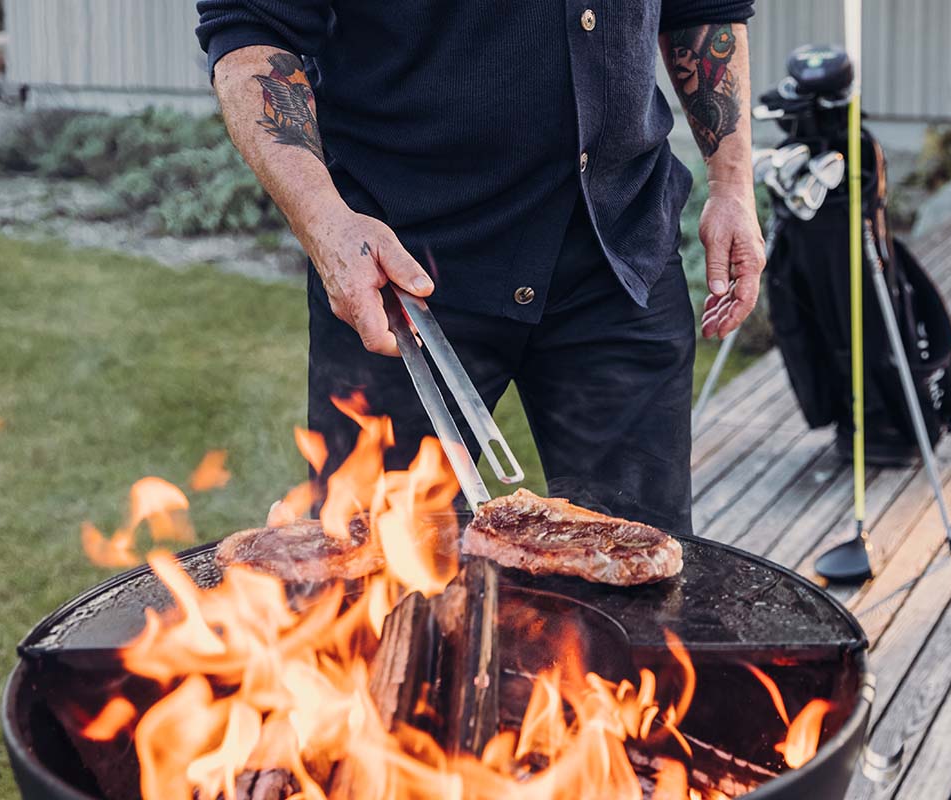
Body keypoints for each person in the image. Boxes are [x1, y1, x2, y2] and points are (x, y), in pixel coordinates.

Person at [197, 1, 764, 535]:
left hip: (618, 253)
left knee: (639, 568)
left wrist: (732, 186)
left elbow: (704, 10)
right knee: (377, 571)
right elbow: (251, 24)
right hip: (400, 279)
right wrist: (327, 224)